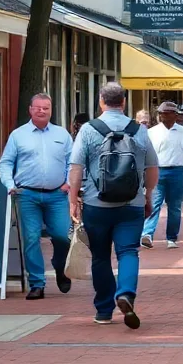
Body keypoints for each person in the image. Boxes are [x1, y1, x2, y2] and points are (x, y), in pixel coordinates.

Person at [68, 82, 159, 328]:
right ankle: (126, 293)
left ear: (101, 101)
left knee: (100, 256)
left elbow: (76, 168)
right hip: (131, 204)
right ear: (124, 102)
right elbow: (152, 167)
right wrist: (148, 196)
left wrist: (73, 200)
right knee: (128, 251)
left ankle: (104, 310)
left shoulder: (88, 130)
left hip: (96, 204)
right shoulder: (139, 130)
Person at [0, 93, 73, 301]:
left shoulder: (62, 134)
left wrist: (68, 182)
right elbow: (6, 162)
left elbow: (73, 162)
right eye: (38, 107)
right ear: (30, 110)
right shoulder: (18, 135)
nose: (42, 111)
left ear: (51, 110)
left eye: (46, 108)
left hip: (57, 194)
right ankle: (37, 283)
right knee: (31, 239)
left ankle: (60, 266)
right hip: (27, 195)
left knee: (61, 236)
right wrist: (10, 184)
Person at [141, 101, 183, 249]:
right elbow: (146, 154)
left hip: (178, 171)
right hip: (158, 170)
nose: (162, 116)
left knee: (175, 206)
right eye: (161, 113)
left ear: (174, 115)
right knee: (154, 203)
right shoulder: (152, 132)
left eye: (166, 113)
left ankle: (171, 237)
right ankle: (147, 234)